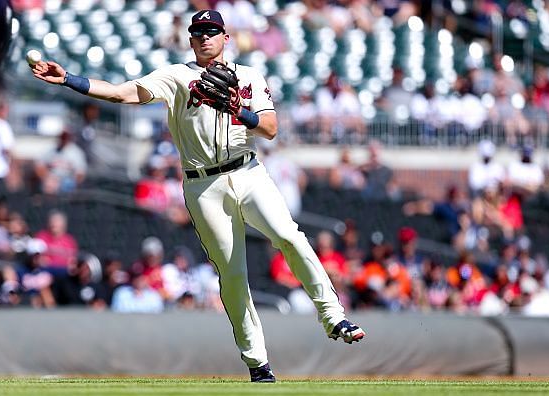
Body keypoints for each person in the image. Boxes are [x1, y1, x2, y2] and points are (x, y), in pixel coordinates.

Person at [29, 11, 365, 382]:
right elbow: (125, 93)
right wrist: (70, 80)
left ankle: (333, 315)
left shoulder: (250, 76)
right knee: (232, 273)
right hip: (202, 185)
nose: (205, 37)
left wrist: (239, 110)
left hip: (248, 172)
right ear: (190, 40)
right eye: (198, 32)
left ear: (226, 37)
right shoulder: (176, 76)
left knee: (288, 235)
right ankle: (258, 364)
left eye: (211, 31)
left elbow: (270, 128)